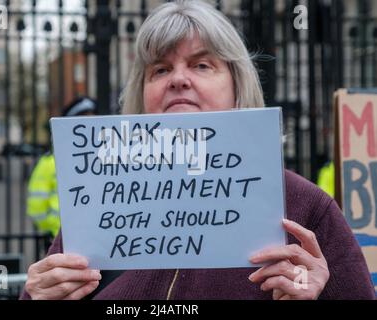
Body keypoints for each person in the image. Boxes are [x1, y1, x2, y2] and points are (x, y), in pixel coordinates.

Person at [21, 0, 375, 300]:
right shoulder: (97, 205)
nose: (178, 79)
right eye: (159, 69)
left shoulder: (305, 207)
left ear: (237, 87)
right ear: (142, 96)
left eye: (201, 65)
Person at [26, 96, 97, 237]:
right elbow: (37, 208)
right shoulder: (50, 162)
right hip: (62, 239)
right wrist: (56, 229)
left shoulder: (104, 159)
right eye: (82, 121)